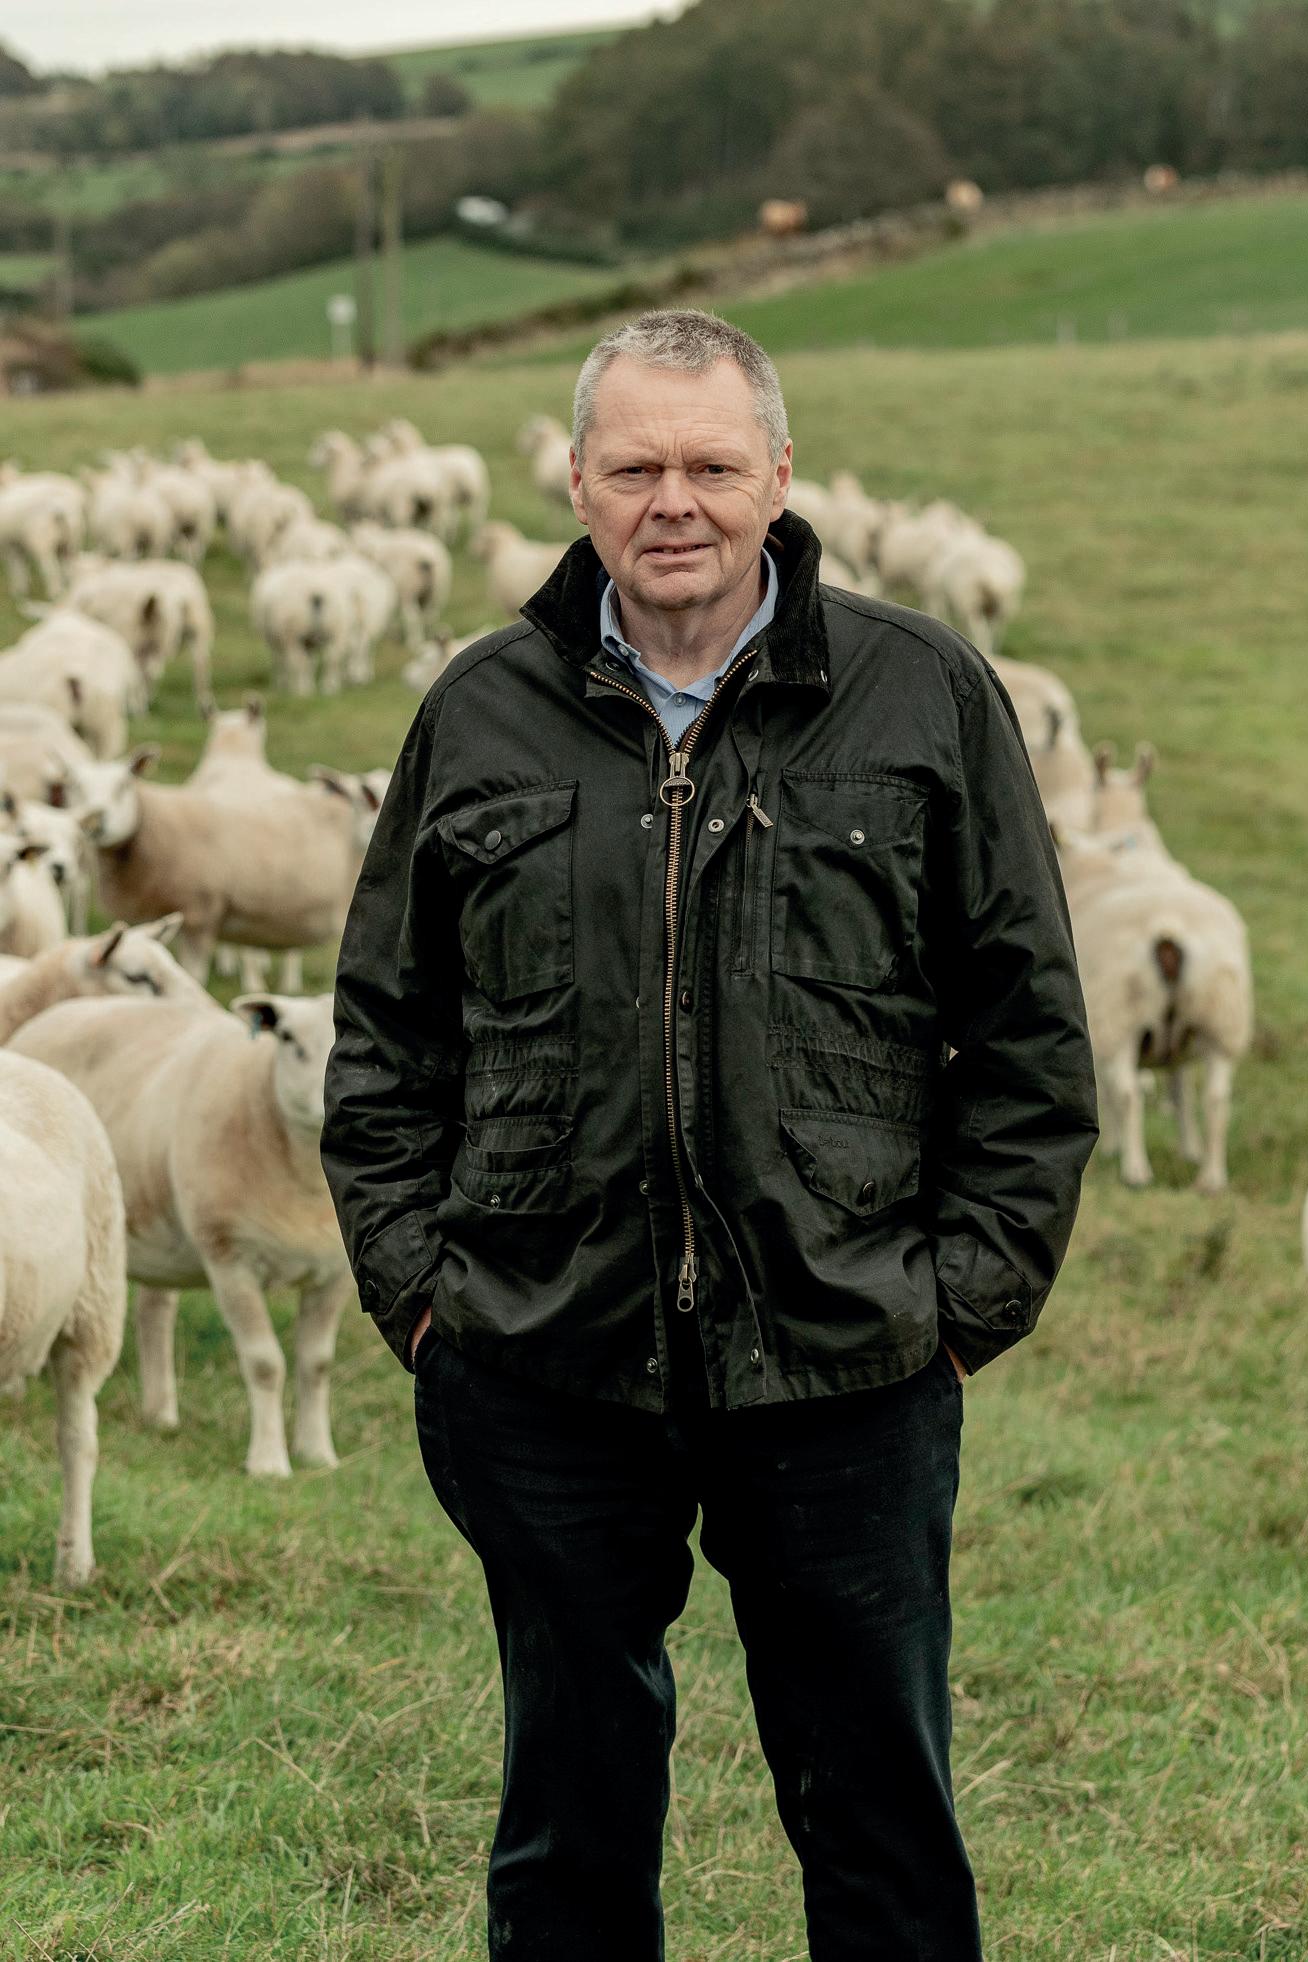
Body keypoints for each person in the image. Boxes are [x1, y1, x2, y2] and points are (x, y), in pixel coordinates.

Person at [320, 307, 1098, 1961]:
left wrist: (959, 1305)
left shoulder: (920, 693)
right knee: (570, 1828)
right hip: (547, 1361)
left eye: (711, 465)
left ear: (780, 476)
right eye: (634, 468)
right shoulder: (480, 710)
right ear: (577, 482)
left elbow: (1030, 1028)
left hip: (845, 1363)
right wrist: (426, 1303)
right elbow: (386, 1032)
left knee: (881, 1820)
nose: (673, 501)